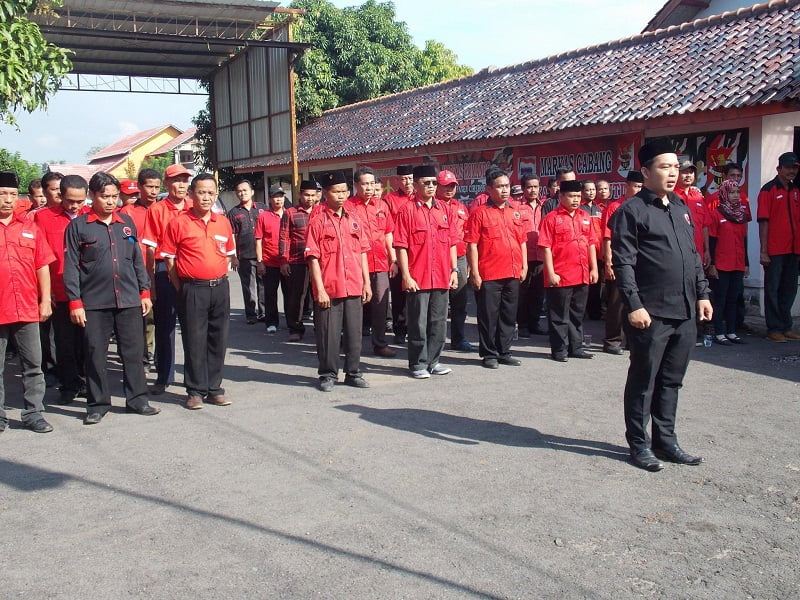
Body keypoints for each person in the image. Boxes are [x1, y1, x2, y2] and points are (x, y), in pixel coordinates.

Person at [610, 138, 712, 472]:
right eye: (664, 167)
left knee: (671, 380)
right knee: (644, 380)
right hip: (650, 313)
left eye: (675, 166)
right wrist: (634, 304)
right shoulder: (631, 212)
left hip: (683, 312)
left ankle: (665, 441)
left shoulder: (681, 208)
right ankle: (639, 445)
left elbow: (692, 256)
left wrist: (702, 293)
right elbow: (623, 263)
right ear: (646, 171)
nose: (673, 173)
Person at [63, 172, 160, 424]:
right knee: (95, 353)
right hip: (94, 302)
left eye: (114, 196)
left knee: (133, 352)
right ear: (92, 196)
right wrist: (75, 302)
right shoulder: (78, 227)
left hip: (128, 299)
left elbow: (136, 259)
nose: (110, 201)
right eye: (105, 196)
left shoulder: (126, 224)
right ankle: (97, 404)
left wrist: (144, 291)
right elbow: (72, 266)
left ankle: (137, 399)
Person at [160, 173, 235, 410]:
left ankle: (214, 388)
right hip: (192, 289)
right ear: (192, 194)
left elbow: (229, 253)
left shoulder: (222, 222)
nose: (206, 197)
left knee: (217, 339)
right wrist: (181, 287)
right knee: (194, 340)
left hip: (220, 288)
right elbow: (169, 260)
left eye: (211, 193)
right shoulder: (178, 222)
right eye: (201, 192)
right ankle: (194, 390)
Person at [0, 170, 56, 433]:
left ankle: (33, 413)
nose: (8, 200)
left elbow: (42, 266)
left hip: (26, 307)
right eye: (2, 194)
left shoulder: (29, 228)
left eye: (12, 194)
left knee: (34, 365)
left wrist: (45, 300)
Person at [305, 170, 372, 391]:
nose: (341, 196)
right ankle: (327, 374)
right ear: (325, 193)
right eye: (336, 192)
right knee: (328, 335)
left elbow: (363, 252)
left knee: (354, 334)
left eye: (344, 191)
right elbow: (313, 257)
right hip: (330, 287)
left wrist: (367, 283)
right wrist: (320, 290)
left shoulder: (355, 219)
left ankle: (353, 372)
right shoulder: (317, 220)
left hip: (353, 284)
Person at [393, 164, 459, 379]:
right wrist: (406, 275)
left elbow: (451, 243)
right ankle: (418, 363)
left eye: (433, 183)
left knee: (438, 322)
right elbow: (401, 245)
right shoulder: (407, 211)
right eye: (426, 183)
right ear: (416, 185)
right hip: (418, 276)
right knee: (418, 323)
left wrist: (454, 270)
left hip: (441, 275)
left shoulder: (444, 210)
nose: (431, 186)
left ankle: (434, 361)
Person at [33, 175, 88, 405]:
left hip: (89, 291)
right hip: (60, 290)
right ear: (60, 196)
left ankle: (87, 382)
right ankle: (69, 385)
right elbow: (38, 257)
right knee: (64, 343)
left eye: (79, 201)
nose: (74, 206)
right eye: (69, 201)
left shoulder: (91, 216)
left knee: (88, 342)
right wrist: (45, 292)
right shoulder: (43, 218)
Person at [464, 168, 527, 368]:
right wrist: (474, 271)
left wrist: (524, 265)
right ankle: (489, 354)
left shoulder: (515, 211)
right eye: (500, 186)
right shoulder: (479, 213)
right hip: (489, 273)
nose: (504, 190)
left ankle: (504, 351)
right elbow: (472, 244)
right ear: (489, 189)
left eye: (507, 186)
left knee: (509, 314)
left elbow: (522, 241)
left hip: (513, 271)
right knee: (488, 316)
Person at [142, 163, 193, 394]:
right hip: (164, 269)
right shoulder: (157, 210)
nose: (181, 185)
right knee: (165, 326)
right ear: (167, 183)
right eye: (176, 180)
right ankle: (164, 376)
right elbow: (151, 249)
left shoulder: (194, 206)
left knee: (193, 326)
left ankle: (194, 377)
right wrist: (150, 284)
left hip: (191, 269)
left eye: (184, 180)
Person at [538, 179, 598, 362]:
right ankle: (559, 349)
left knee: (577, 313)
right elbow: (545, 247)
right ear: (561, 196)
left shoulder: (585, 217)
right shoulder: (551, 218)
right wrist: (551, 273)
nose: (575, 200)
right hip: (561, 274)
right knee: (559, 315)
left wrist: (594, 268)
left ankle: (576, 346)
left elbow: (591, 245)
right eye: (571, 196)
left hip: (581, 273)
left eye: (578, 196)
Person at [345, 167, 398, 357]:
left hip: (381, 263)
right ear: (356, 185)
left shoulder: (382, 206)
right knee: (355, 306)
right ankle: (352, 344)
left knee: (380, 305)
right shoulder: (348, 206)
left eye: (371, 184)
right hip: (357, 265)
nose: (369, 188)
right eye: (364, 184)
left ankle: (379, 343)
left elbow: (388, 233)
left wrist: (393, 259)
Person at [757, 152, 800, 342]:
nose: (792, 171)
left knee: (789, 289)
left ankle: (786, 325)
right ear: (779, 169)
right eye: (789, 167)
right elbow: (763, 222)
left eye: (795, 168)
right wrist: (764, 251)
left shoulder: (796, 190)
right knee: (772, 289)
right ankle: (773, 328)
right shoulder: (768, 190)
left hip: (793, 249)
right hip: (775, 249)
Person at [120, 168, 161, 367]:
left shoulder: (163, 210)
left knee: (161, 318)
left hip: (161, 270)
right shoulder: (127, 213)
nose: (153, 191)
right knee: (143, 318)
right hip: (138, 272)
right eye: (149, 186)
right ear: (140, 187)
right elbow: (127, 244)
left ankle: (158, 356)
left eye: (156, 187)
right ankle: (144, 356)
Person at [601, 170, 643, 355]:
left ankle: (631, 338)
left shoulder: (644, 206)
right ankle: (612, 340)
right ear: (627, 187)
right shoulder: (616, 207)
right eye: (636, 186)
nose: (639, 189)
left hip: (639, 261)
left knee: (636, 301)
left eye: (642, 186)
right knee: (617, 301)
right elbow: (607, 237)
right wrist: (609, 262)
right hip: (620, 260)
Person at [435, 169, 475, 351]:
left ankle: (459, 339)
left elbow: (467, 234)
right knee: (439, 303)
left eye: (452, 186)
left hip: (459, 258)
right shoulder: (433, 206)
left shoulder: (461, 208)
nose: (449, 189)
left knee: (459, 300)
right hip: (438, 259)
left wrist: (466, 262)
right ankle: (436, 341)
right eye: (445, 186)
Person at [708, 180, 750, 344]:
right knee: (720, 300)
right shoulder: (717, 214)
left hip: (737, 263)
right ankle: (719, 333)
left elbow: (744, 240)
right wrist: (712, 264)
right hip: (721, 263)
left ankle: (731, 332)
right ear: (724, 193)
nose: (735, 195)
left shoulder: (741, 215)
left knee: (734, 298)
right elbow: (712, 241)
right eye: (732, 192)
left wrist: (746, 263)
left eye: (738, 192)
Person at [280, 180, 316, 342]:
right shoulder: (290, 213)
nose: (309, 198)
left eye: (313, 195)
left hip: (318, 261)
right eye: (307, 195)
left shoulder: (321, 211)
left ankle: (321, 326)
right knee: (297, 296)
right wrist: (284, 261)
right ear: (300, 195)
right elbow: (284, 237)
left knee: (319, 295)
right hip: (297, 261)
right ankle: (295, 328)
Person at [228, 178, 267, 324]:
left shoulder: (263, 208)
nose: (242, 193)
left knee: (263, 285)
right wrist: (233, 256)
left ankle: (263, 313)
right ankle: (251, 314)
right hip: (244, 256)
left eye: (245, 190)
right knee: (248, 287)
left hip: (262, 255)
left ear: (252, 192)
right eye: (239, 191)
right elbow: (231, 235)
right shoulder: (233, 213)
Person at [385, 165, 415, 344]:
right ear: (397, 180)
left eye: (411, 178)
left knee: (417, 292)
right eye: (404, 179)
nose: (408, 182)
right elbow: (387, 230)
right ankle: (400, 329)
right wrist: (393, 259)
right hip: (398, 251)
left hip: (417, 252)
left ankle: (415, 328)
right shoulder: (390, 200)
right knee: (398, 293)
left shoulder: (421, 198)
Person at [517, 175, 548, 336]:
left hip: (541, 254)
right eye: (529, 187)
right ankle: (522, 325)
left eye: (536, 187)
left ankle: (534, 323)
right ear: (523, 189)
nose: (533, 190)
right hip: (524, 255)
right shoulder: (516, 207)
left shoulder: (545, 206)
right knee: (522, 291)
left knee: (537, 292)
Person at [255, 184, 288, 334]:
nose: (278, 200)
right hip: (269, 262)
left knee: (290, 294)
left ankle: (291, 321)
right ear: (270, 199)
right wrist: (260, 261)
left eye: (281, 196)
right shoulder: (263, 216)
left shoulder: (289, 214)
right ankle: (271, 322)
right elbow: (258, 240)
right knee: (270, 295)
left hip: (286, 262)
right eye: (275, 197)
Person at [580, 179, 604, 320]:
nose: (591, 192)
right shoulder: (579, 209)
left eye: (593, 190)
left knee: (597, 283)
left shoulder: (599, 209)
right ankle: (582, 311)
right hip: (584, 251)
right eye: (588, 190)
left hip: (598, 250)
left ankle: (595, 312)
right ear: (582, 192)